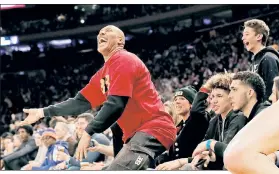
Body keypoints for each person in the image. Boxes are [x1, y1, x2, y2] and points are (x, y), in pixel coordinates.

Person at [20, 25, 177, 170]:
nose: (101, 33)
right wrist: (42, 112)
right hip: (135, 135)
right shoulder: (102, 74)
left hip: (155, 129)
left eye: (108, 31)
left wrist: (89, 131)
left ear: (120, 40)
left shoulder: (124, 59)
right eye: (100, 32)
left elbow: (116, 104)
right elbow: (79, 103)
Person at [155, 86, 210, 170]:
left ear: (192, 103)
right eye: (175, 99)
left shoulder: (198, 120)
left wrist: (205, 89)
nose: (177, 102)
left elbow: (196, 112)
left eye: (182, 99)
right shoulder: (179, 126)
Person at [242, 19, 279, 99]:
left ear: (259, 36)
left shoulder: (268, 58)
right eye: (243, 35)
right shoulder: (254, 62)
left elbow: (273, 92)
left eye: (246, 34)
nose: (243, 38)